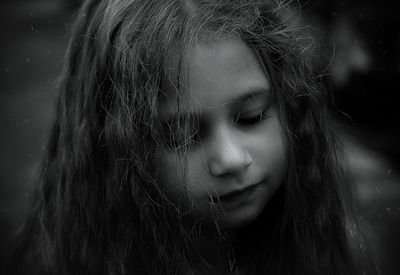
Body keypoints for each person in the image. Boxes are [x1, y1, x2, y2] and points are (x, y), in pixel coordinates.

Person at [8, 0, 378, 274]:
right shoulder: (71, 263)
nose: (232, 159)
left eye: (250, 117)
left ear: (290, 109)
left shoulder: (340, 249)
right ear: (115, 149)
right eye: (183, 137)